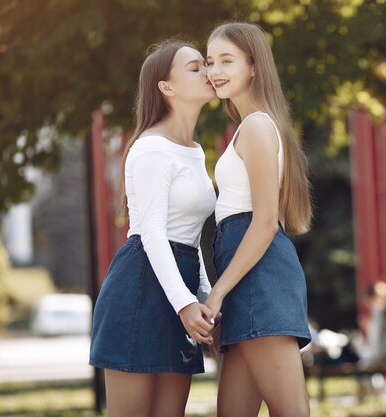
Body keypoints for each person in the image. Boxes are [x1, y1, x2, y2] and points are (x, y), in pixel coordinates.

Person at [89, 40, 217, 417]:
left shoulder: (194, 150)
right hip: (142, 287)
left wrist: (204, 295)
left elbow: (190, 237)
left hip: (180, 284)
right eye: (195, 67)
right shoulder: (150, 148)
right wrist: (186, 303)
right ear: (167, 87)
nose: (208, 72)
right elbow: (154, 234)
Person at [205, 22, 313, 417]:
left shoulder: (256, 127)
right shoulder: (250, 127)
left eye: (226, 60)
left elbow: (265, 222)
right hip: (247, 276)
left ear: (253, 66)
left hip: (259, 277)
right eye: (210, 61)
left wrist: (216, 295)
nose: (214, 70)